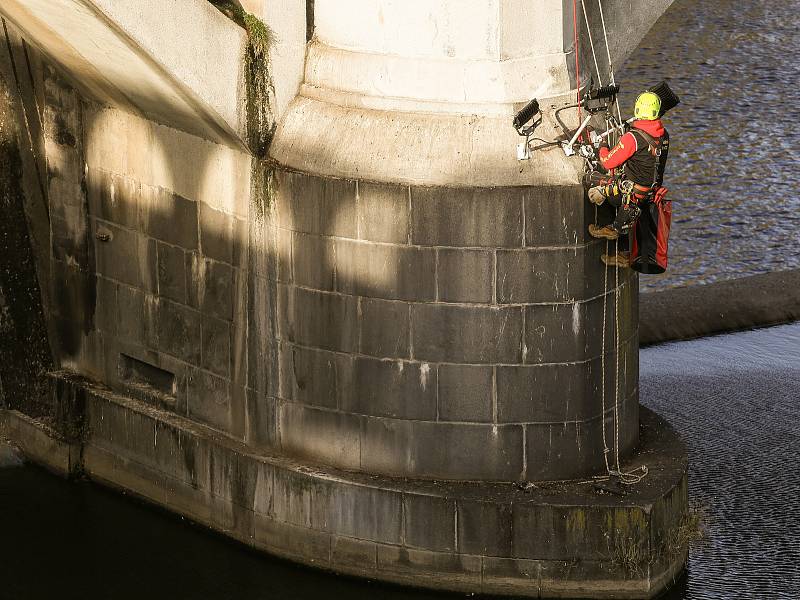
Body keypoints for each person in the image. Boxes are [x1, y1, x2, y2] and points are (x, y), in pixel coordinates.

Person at [586, 91, 671, 271]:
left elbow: (608, 161)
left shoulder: (633, 138)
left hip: (629, 193)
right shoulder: (664, 136)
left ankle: (609, 227)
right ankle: (624, 254)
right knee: (625, 198)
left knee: (594, 183)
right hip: (648, 195)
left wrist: (602, 146)